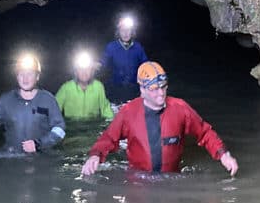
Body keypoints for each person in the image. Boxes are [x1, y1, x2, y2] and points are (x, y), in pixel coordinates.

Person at [81, 61, 239, 176]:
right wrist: (95, 156)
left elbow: (204, 132)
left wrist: (223, 154)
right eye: (154, 89)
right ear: (142, 89)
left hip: (172, 178)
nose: (161, 93)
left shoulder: (180, 108)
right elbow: (109, 138)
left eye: (163, 86)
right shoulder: (128, 112)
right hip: (138, 181)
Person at [0, 54, 66, 154]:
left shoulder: (48, 100)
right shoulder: (6, 100)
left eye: (30, 74)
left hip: (41, 158)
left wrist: (39, 144)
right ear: (17, 76)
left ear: (37, 77)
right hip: (12, 159)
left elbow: (60, 129)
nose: (25, 78)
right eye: (21, 74)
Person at [100, 14, 148, 101]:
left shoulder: (138, 47)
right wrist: (96, 65)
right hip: (116, 88)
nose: (125, 33)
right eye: (122, 30)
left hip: (134, 88)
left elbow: (145, 64)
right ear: (118, 32)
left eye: (128, 30)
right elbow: (103, 62)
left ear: (132, 32)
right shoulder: (112, 47)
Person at [55, 50, 114, 121]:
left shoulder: (98, 87)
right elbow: (54, 110)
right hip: (72, 126)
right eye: (81, 69)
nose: (84, 72)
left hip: (92, 126)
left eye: (88, 69)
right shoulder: (66, 88)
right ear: (76, 72)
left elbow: (105, 109)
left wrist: (112, 123)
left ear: (92, 71)